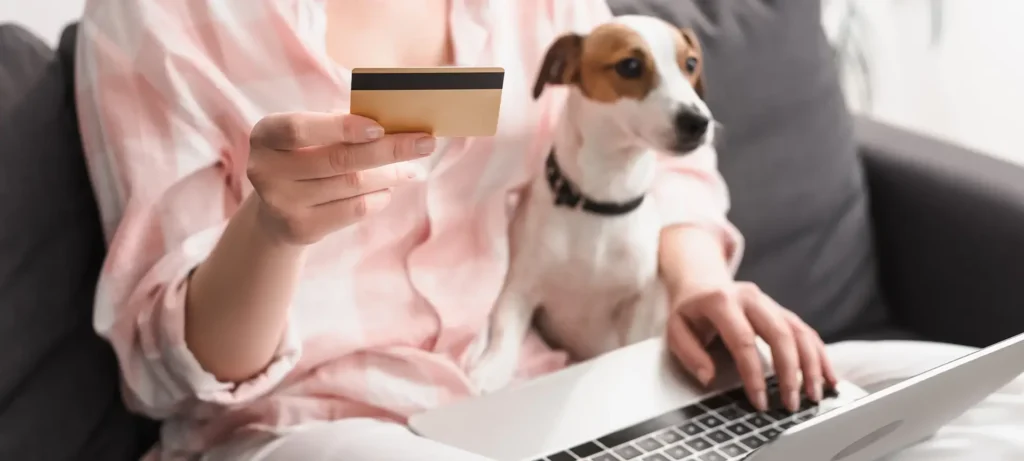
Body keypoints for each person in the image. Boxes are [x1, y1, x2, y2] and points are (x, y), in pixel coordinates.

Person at [75, 0, 1023, 460]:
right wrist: (270, 232)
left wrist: (697, 288)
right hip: (327, 427)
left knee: (986, 403)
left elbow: (672, 159)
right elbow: (167, 371)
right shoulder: (162, 19)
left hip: (575, 396)